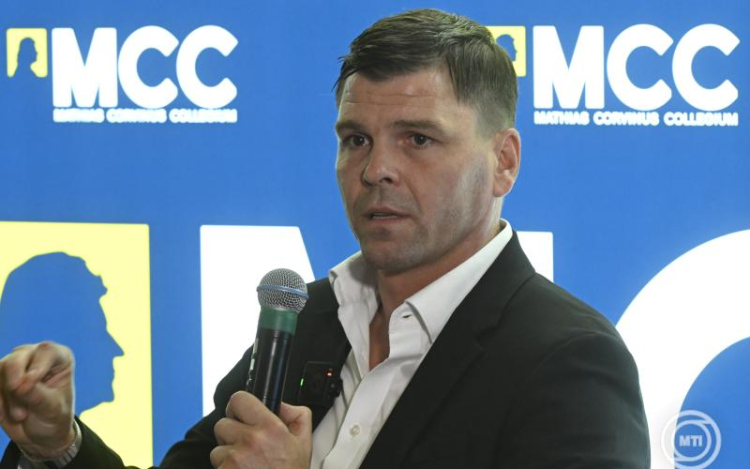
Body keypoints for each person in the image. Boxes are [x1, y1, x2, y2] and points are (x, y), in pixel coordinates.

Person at [0, 9, 650, 469]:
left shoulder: (569, 361)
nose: (376, 169)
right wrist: (57, 446)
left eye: (417, 139)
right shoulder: (307, 319)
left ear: (503, 162)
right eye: (356, 139)